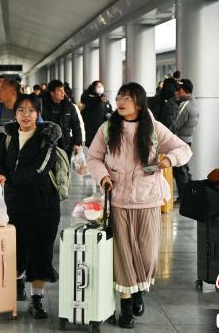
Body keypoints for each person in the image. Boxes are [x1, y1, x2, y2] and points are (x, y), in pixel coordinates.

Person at [87, 82, 192, 328]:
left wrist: (169, 159)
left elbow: (184, 149)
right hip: (118, 201)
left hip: (148, 199)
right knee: (122, 256)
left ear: (140, 104)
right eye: (120, 96)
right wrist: (103, 176)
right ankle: (126, 308)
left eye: (128, 98)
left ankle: (138, 292)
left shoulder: (153, 128)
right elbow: (93, 158)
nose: (121, 101)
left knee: (147, 256)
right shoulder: (107, 128)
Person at [0, 94, 62, 319]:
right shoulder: (9, 136)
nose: (26, 115)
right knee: (15, 250)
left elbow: (40, 169)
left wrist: (9, 178)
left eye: (31, 110)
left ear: (38, 114)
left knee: (40, 253)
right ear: (15, 114)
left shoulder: (47, 138)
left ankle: (37, 299)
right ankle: (18, 282)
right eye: (21, 110)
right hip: (14, 206)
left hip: (43, 206)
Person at [169, 79, 200, 202]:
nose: (177, 92)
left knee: (180, 170)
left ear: (182, 90)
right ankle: (191, 194)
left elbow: (176, 124)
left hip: (180, 141)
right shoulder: (195, 103)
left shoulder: (186, 105)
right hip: (188, 140)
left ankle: (184, 198)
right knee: (185, 168)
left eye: (178, 90)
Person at [41, 80, 82, 159]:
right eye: (60, 91)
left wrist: (77, 143)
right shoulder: (42, 105)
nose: (63, 93)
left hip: (65, 144)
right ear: (52, 93)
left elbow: (76, 125)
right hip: (46, 144)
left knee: (65, 165)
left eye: (63, 90)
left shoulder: (69, 106)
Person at [80, 81, 112, 147]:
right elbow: (88, 102)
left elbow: (109, 108)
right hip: (91, 128)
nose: (100, 88)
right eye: (98, 86)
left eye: (101, 86)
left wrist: (109, 114)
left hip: (102, 128)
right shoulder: (88, 96)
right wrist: (99, 99)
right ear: (94, 88)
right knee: (92, 146)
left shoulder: (103, 98)